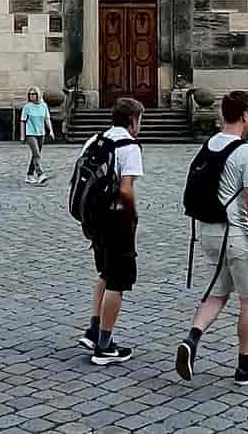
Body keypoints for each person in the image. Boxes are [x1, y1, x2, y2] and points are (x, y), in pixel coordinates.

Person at [175, 89, 248, 387]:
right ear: (246, 115)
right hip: (235, 235)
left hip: (208, 233)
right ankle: (245, 366)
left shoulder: (210, 144)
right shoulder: (246, 152)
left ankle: (192, 339)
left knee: (218, 293)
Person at [79, 97, 144, 367]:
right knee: (118, 279)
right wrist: (133, 213)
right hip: (116, 218)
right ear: (132, 121)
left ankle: (94, 329)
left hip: (93, 218)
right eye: (140, 120)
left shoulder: (96, 140)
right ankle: (105, 345)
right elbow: (126, 189)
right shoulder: (129, 146)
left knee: (105, 272)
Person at [21, 86, 54, 183]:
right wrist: (23, 136)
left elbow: (47, 119)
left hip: (41, 133)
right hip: (30, 133)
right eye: (30, 94)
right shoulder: (27, 107)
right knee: (37, 154)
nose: (32, 96)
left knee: (35, 155)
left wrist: (51, 131)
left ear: (38, 95)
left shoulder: (44, 106)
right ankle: (40, 174)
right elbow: (22, 121)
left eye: (34, 94)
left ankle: (29, 174)